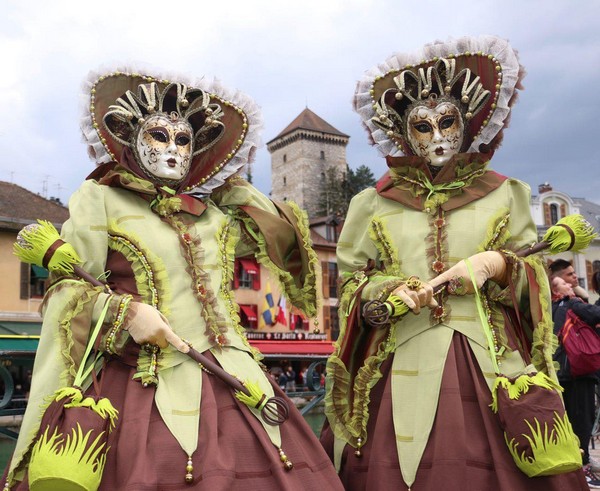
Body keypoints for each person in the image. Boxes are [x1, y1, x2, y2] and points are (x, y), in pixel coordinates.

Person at [3, 68, 343, 490]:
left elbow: (279, 233)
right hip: (142, 379)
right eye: (159, 136)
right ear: (129, 138)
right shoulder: (101, 199)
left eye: (185, 141)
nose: (173, 150)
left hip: (238, 380)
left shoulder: (213, 215)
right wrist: (124, 312)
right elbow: (67, 290)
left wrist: (223, 181)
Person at [321, 36, 587, 490]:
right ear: (402, 132)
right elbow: (350, 282)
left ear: (470, 123)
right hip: (398, 353)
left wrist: (497, 266)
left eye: (448, 121)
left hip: (488, 359)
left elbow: (535, 281)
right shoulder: (372, 203)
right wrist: (385, 291)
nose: (438, 136)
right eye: (423, 126)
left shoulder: (508, 193)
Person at [551, 275, 600, 487]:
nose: (571, 284)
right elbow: (596, 315)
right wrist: (579, 297)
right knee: (582, 419)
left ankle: (576, 464)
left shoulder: (550, 308)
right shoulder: (569, 304)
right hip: (578, 370)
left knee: (568, 419)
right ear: (556, 289)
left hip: (561, 371)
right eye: (566, 282)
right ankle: (583, 467)